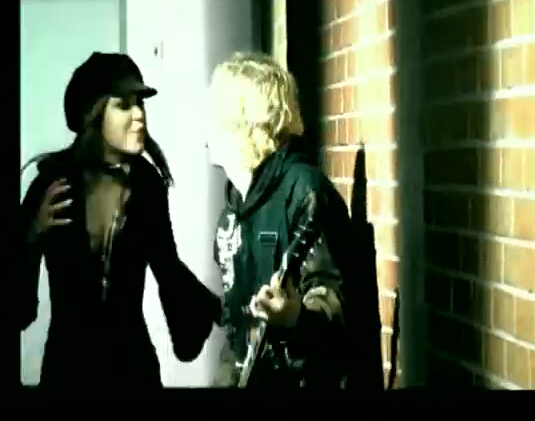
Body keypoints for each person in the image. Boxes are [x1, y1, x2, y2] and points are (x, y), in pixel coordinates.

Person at [19, 52, 222, 393]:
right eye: (124, 105)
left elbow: (167, 266)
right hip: (67, 369)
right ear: (94, 113)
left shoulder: (146, 184)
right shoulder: (53, 182)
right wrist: (31, 233)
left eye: (140, 103)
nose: (139, 114)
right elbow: (17, 302)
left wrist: (217, 308)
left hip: (132, 368)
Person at [206, 52, 353, 389]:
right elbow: (237, 334)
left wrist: (295, 317)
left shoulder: (305, 191)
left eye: (217, 114)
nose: (208, 126)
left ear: (247, 123)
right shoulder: (234, 207)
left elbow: (336, 311)